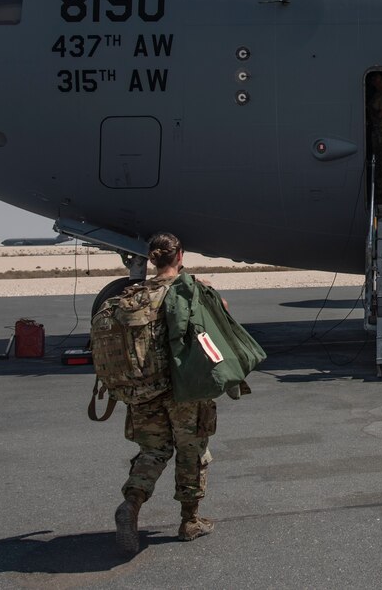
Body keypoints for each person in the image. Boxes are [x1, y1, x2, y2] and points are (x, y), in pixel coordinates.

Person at [114, 232, 218, 555]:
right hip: (182, 390)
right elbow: (219, 318)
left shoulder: (135, 295)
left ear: (152, 260)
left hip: (144, 389)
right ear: (180, 256)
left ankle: (131, 504)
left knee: (154, 451)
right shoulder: (189, 290)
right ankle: (190, 521)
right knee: (191, 451)